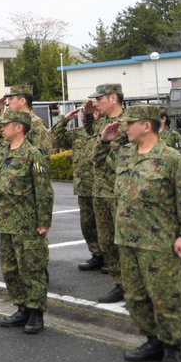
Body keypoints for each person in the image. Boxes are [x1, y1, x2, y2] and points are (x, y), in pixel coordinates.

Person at [116, 105, 181, 362]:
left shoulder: (171, 158)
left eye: (130, 123)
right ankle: (152, 340)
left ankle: (172, 346)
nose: (124, 127)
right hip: (128, 240)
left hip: (158, 242)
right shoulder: (125, 155)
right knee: (136, 297)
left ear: (146, 126)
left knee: (166, 296)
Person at [0, 109, 53, 335]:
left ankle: (36, 313)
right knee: (10, 269)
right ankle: (21, 307)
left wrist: (44, 221)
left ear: (18, 127)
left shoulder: (32, 155)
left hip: (27, 223)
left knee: (32, 269)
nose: (1, 128)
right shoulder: (2, 151)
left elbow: (44, 190)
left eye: (5, 124)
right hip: (5, 223)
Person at [52, 103, 104, 272]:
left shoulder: (104, 132)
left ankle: (112, 257)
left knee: (106, 225)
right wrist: (65, 120)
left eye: (86, 112)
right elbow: (55, 138)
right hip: (84, 187)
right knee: (87, 224)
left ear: (96, 113)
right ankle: (97, 255)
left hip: (103, 187)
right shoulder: (78, 134)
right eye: (82, 112)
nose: (83, 115)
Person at [91, 83, 130, 303]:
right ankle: (120, 283)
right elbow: (95, 158)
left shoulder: (129, 124)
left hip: (121, 191)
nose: (97, 103)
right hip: (101, 190)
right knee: (106, 241)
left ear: (113, 98)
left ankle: (134, 285)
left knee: (125, 242)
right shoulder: (102, 124)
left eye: (100, 99)